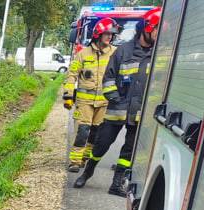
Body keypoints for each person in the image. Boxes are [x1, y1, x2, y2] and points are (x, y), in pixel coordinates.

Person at [74, 6, 162, 195]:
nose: (159, 33)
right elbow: (109, 77)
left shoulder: (159, 54)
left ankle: (116, 184)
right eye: (157, 29)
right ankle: (87, 173)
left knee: (128, 152)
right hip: (117, 110)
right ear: (147, 27)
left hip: (139, 112)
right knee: (101, 144)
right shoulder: (123, 51)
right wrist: (114, 98)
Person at [63, 17, 119, 172]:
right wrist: (68, 96)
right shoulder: (82, 54)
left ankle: (85, 158)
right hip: (84, 102)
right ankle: (75, 161)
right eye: (107, 34)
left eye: (111, 34)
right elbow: (72, 74)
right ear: (98, 34)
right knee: (83, 131)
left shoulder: (115, 53)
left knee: (96, 133)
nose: (110, 37)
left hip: (104, 103)